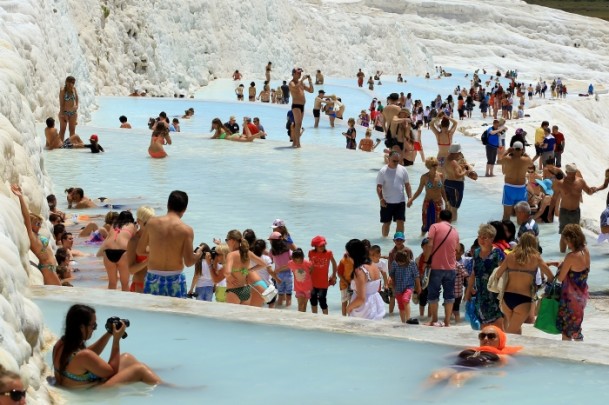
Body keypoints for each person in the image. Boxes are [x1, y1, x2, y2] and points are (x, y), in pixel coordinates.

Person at [52, 304, 161, 388]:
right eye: (93, 325)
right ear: (81, 327)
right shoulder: (83, 356)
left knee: (127, 357)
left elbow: (86, 356)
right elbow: (111, 372)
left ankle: (154, 376)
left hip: (76, 386)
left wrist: (109, 333)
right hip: (91, 391)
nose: (94, 329)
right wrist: (116, 340)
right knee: (140, 369)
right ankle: (167, 388)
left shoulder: (61, 344)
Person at [137, 190, 202, 297]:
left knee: (153, 312)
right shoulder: (186, 230)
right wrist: (198, 255)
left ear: (168, 205)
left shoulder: (151, 223)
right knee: (175, 313)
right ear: (185, 209)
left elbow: (140, 250)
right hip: (175, 279)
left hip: (153, 277)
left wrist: (155, 251)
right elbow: (189, 262)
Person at [495, 233, 554, 334]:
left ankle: (516, 349)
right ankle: (498, 345)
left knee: (516, 328)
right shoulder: (536, 258)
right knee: (511, 332)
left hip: (507, 298)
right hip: (523, 299)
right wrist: (543, 289)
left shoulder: (510, 256)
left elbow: (498, 274)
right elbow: (551, 276)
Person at [426, 326, 521, 387]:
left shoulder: (501, 355)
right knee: (436, 375)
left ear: (500, 340)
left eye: (491, 336)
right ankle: (415, 398)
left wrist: (494, 373)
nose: (486, 339)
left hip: (477, 370)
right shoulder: (471, 350)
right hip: (455, 366)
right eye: (482, 336)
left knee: (458, 377)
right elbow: (442, 358)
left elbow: (513, 368)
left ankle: (438, 401)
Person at [11, 185, 61, 285]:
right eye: (37, 224)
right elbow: (26, 216)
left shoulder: (36, 235)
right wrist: (20, 197)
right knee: (61, 294)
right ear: (31, 224)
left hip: (50, 268)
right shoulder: (31, 235)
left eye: (40, 224)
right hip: (47, 269)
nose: (39, 226)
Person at [464, 224, 505, 329]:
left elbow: (505, 274)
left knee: (499, 326)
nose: (481, 239)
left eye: (485, 237)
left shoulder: (497, 253)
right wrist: (468, 292)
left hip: (495, 295)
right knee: (483, 325)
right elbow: (474, 273)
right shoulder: (476, 253)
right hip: (481, 294)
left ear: (492, 239)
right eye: (480, 236)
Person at [554, 224, 590, 341]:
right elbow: (581, 271)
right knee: (576, 329)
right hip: (581, 297)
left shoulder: (571, 256)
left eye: (565, 239)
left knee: (566, 332)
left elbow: (560, 278)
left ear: (570, 239)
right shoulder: (586, 251)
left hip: (570, 300)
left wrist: (561, 266)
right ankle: (581, 355)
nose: (565, 242)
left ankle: (566, 358)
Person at [423, 210, 459, 326]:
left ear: (439, 217)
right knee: (449, 295)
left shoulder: (434, 227)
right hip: (451, 267)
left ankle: (434, 320)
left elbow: (429, 244)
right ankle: (447, 322)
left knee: (433, 294)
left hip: (436, 266)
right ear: (451, 219)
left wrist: (426, 260)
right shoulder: (455, 230)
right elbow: (457, 249)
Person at [555, 163, 594, 252]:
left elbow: (589, 191)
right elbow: (555, 198)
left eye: (573, 172)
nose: (572, 175)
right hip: (564, 212)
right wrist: (553, 211)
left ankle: (573, 254)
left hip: (575, 212)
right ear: (566, 172)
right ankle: (562, 255)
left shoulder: (581, 181)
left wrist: (595, 189)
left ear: (576, 172)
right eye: (570, 173)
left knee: (575, 234)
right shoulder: (561, 183)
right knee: (563, 234)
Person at [223, 230, 268, 305]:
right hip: (246, 290)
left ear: (232, 241)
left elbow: (227, 272)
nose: (226, 242)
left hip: (234, 291)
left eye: (227, 240)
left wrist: (229, 276)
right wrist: (250, 270)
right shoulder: (247, 253)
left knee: (232, 316)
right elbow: (263, 264)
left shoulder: (231, 255)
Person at [345, 239, 385, 320]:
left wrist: (348, 308)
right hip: (377, 304)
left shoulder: (360, 270)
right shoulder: (373, 265)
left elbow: (361, 298)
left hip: (364, 309)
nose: (347, 255)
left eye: (348, 253)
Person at [376, 151, 412, 237]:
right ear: (388, 159)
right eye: (394, 161)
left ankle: (399, 240)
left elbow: (407, 185)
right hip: (386, 202)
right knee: (387, 223)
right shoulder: (383, 171)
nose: (396, 163)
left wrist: (410, 198)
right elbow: (379, 186)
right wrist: (381, 199)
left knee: (400, 222)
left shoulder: (403, 169)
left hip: (400, 201)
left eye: (397, 161)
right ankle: (384, 241)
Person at [408, 157, 448, 233]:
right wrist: (411, 199)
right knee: (426, 224)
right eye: (433, 165)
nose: (436, 166)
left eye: (436, 164)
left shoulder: (441, 175)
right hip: (428, 203)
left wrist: (446, 202)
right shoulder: (424, 177)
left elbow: (442, 190)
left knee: (438, 224)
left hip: (438, 202)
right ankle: (422, 238)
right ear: (429, 166)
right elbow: (419, 190)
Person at [98, 211, 136, 291]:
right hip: (123, 253)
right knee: (125, 283)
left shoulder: (113, 225)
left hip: (107, 252)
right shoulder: (132, 225)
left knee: (112, 283)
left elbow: (106, 241)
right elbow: (135, 241)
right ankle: (124, 303)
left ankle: (110, 302)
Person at [497, 141, 533, 220]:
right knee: (522, 216)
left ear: (512, 149)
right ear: (522, 149)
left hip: (509, 188)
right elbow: (531, 164)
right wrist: (525, 153)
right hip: (521, 189)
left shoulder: (507, 158)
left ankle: (505, 231)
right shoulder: (526, 160)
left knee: (506, 215)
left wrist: (507, 151)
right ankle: (521, 231)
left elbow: (498, 161)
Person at [126, 206, 155, 293]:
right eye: (146, 223)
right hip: (140, 285)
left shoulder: (156, 238)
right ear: (138, 221)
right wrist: (147, 261)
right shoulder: (134, 241)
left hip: (157, 283)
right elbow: (131, 270)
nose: (150, 226)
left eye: (152, 223)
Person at [443, 144, 476, 221]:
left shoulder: (446, 159)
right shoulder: (454, 162)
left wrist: (461, 166)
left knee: (448, 207)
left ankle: (444, 226)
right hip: (456, 185)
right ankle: (454, 227)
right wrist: (465, 171)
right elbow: (457, 176)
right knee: (454, 209)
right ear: (457, 152)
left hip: (447, 183)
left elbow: (451, 170)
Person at [389, 250, 421, 323]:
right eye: (398, 262)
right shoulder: (395, 263)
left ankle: (408, 319)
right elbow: (391, 273)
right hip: (398, 288)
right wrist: (389, 280)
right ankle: (403, 322)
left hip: (409, 286)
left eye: (402, 262)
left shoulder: (412, 263)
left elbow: (416, 276)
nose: (400, 263)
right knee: (401, 306)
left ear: (406, 260)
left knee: (405, 299)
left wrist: (418, 287)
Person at [308, 236, 337, 314]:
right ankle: (314, 316)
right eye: (320, 246)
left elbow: (334, 263)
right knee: (313, 299)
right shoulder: (311, 253)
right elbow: (309, 265)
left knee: (322, 300)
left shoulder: (328, 253)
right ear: (315, 246)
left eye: (323, 245)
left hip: (323, 282)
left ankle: (326, 317)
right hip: (312, 281)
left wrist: (334, 275)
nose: (322, 247)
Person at [289, 68, 314, 148]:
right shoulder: (291, 83)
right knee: (298, 124)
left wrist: (310, 81)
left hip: (302, 106)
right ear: (293, 74)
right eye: (298, 73)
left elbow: (311, 90)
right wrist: (302, 79)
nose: (300, 75)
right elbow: (295, 88)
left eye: (300, 73)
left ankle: (295, 143)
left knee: (299, 125)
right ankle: (298, 144)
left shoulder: (301, 84)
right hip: (296, 106)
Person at [269, 231, 293, 307]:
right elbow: (292, 261)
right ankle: (288, 311)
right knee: (288, 297)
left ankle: (279, 311)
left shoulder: (272, 251)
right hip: (288, 274)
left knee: (280, 296)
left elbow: (271, 261)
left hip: (278, 276)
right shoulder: (288, 250)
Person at [58, 76, 78, 142]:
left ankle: (71, 147)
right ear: (66, 82)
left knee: (72, 130)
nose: (72, 84)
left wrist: (76, 106)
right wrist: (63, 114)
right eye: (71, 82)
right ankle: (60, 146)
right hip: (64, 112)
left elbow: (77, 98)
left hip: (73, 113)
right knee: (62, 130)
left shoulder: (74, 89)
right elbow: (61, 104)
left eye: (73, 82)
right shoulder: (63, 90)